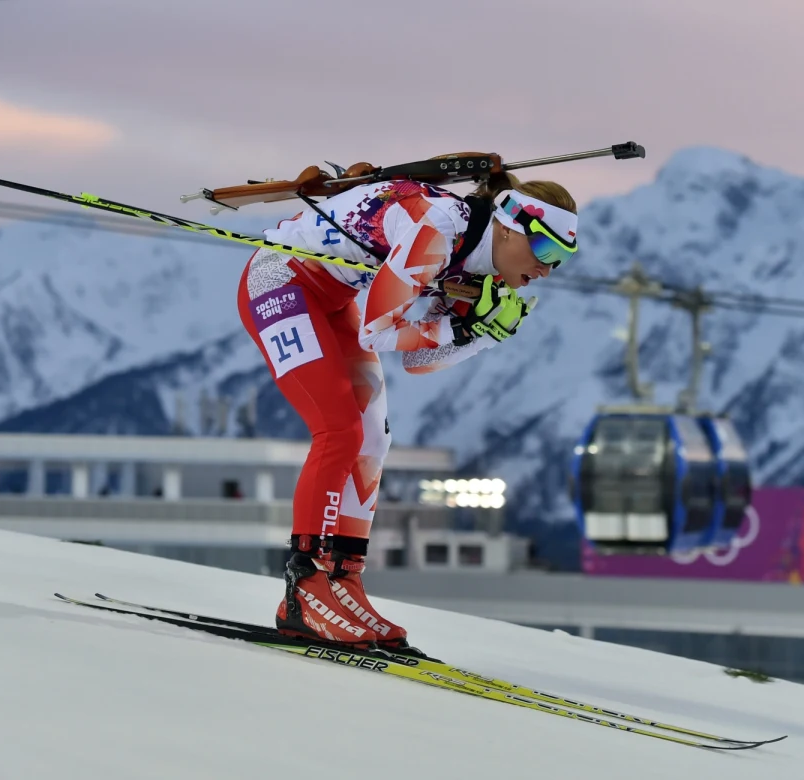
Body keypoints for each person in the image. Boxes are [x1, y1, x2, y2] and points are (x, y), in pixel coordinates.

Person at [236, 170, 578, 649]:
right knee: (340, 430)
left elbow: (419, 361)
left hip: (332, 299)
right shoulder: (440, 228)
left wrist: (482, 334)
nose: (546, 270)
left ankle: (341, 578)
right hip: (280, 280)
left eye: (561, 260)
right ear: (506, 226)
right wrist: (462, 329)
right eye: (544, 250)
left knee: (373, 438)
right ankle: (305, 588)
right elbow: (378, 331)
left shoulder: (478, 261)